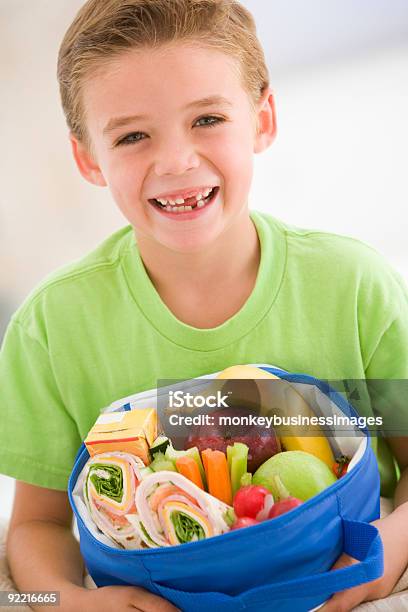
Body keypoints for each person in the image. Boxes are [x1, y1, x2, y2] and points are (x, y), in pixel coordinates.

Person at [1, 0, 407, 610]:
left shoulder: (354, 287)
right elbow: (36, 526)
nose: (176, 162)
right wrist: (69, 601)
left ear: (263, 119)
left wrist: (379, 566)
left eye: (207, 118)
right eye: (132, 135)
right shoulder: (51, 329)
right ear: (88, 157)